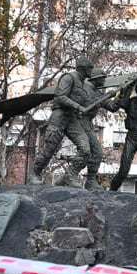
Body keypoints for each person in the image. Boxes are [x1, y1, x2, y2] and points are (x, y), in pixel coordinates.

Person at [30, 56, 96, 187]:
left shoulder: (84, 84)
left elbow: (86, 103)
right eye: (90, 69)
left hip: (72, 119)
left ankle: (70, 176)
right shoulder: (69, 78)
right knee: (50, 148)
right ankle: (35, 174)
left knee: (85, 149)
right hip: (59, 116)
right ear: (84, 69)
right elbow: (60, 97)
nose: (92, 72)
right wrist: (78, 106)